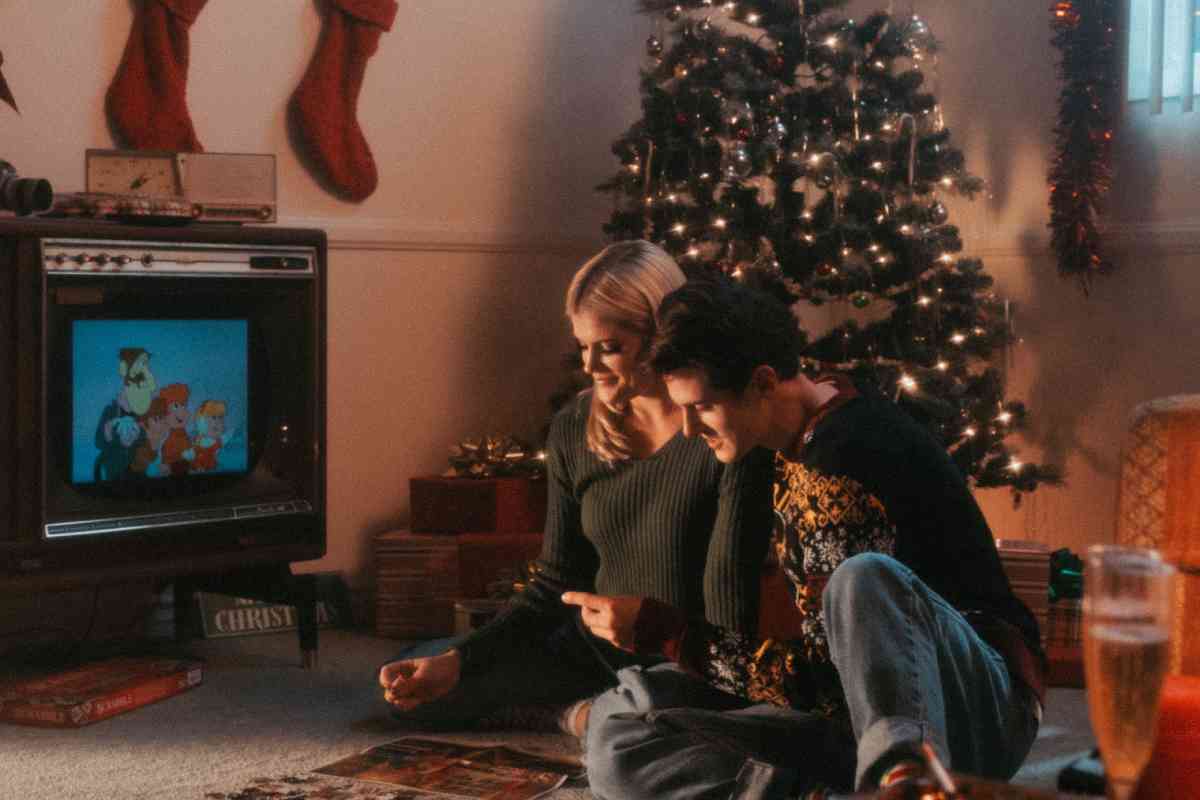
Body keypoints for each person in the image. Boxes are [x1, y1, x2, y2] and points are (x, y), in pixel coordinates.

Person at [566, 274, 1046, 798]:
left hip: (973, 712)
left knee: (862, 578)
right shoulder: (804, 420)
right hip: (854, 712)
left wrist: (670, 633)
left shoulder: (845, 457)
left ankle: (901, 780)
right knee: (618, 739)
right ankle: (820, 790)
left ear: (763, 382)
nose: (687, 429)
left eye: (700, 406)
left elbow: (824, 685)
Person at [378, 241, 774, 733]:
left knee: (675, 716)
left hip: (680, 660)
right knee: (414, 678)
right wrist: (459, 660)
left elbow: (730, 621)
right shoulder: (574, 426)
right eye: (584, 346)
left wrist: (661, 635)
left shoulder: (723, 434)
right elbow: (555, 582)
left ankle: (585, 716)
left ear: (662, 336)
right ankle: (587, 714)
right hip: (586, 653)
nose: (589, 366)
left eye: (610, 348)